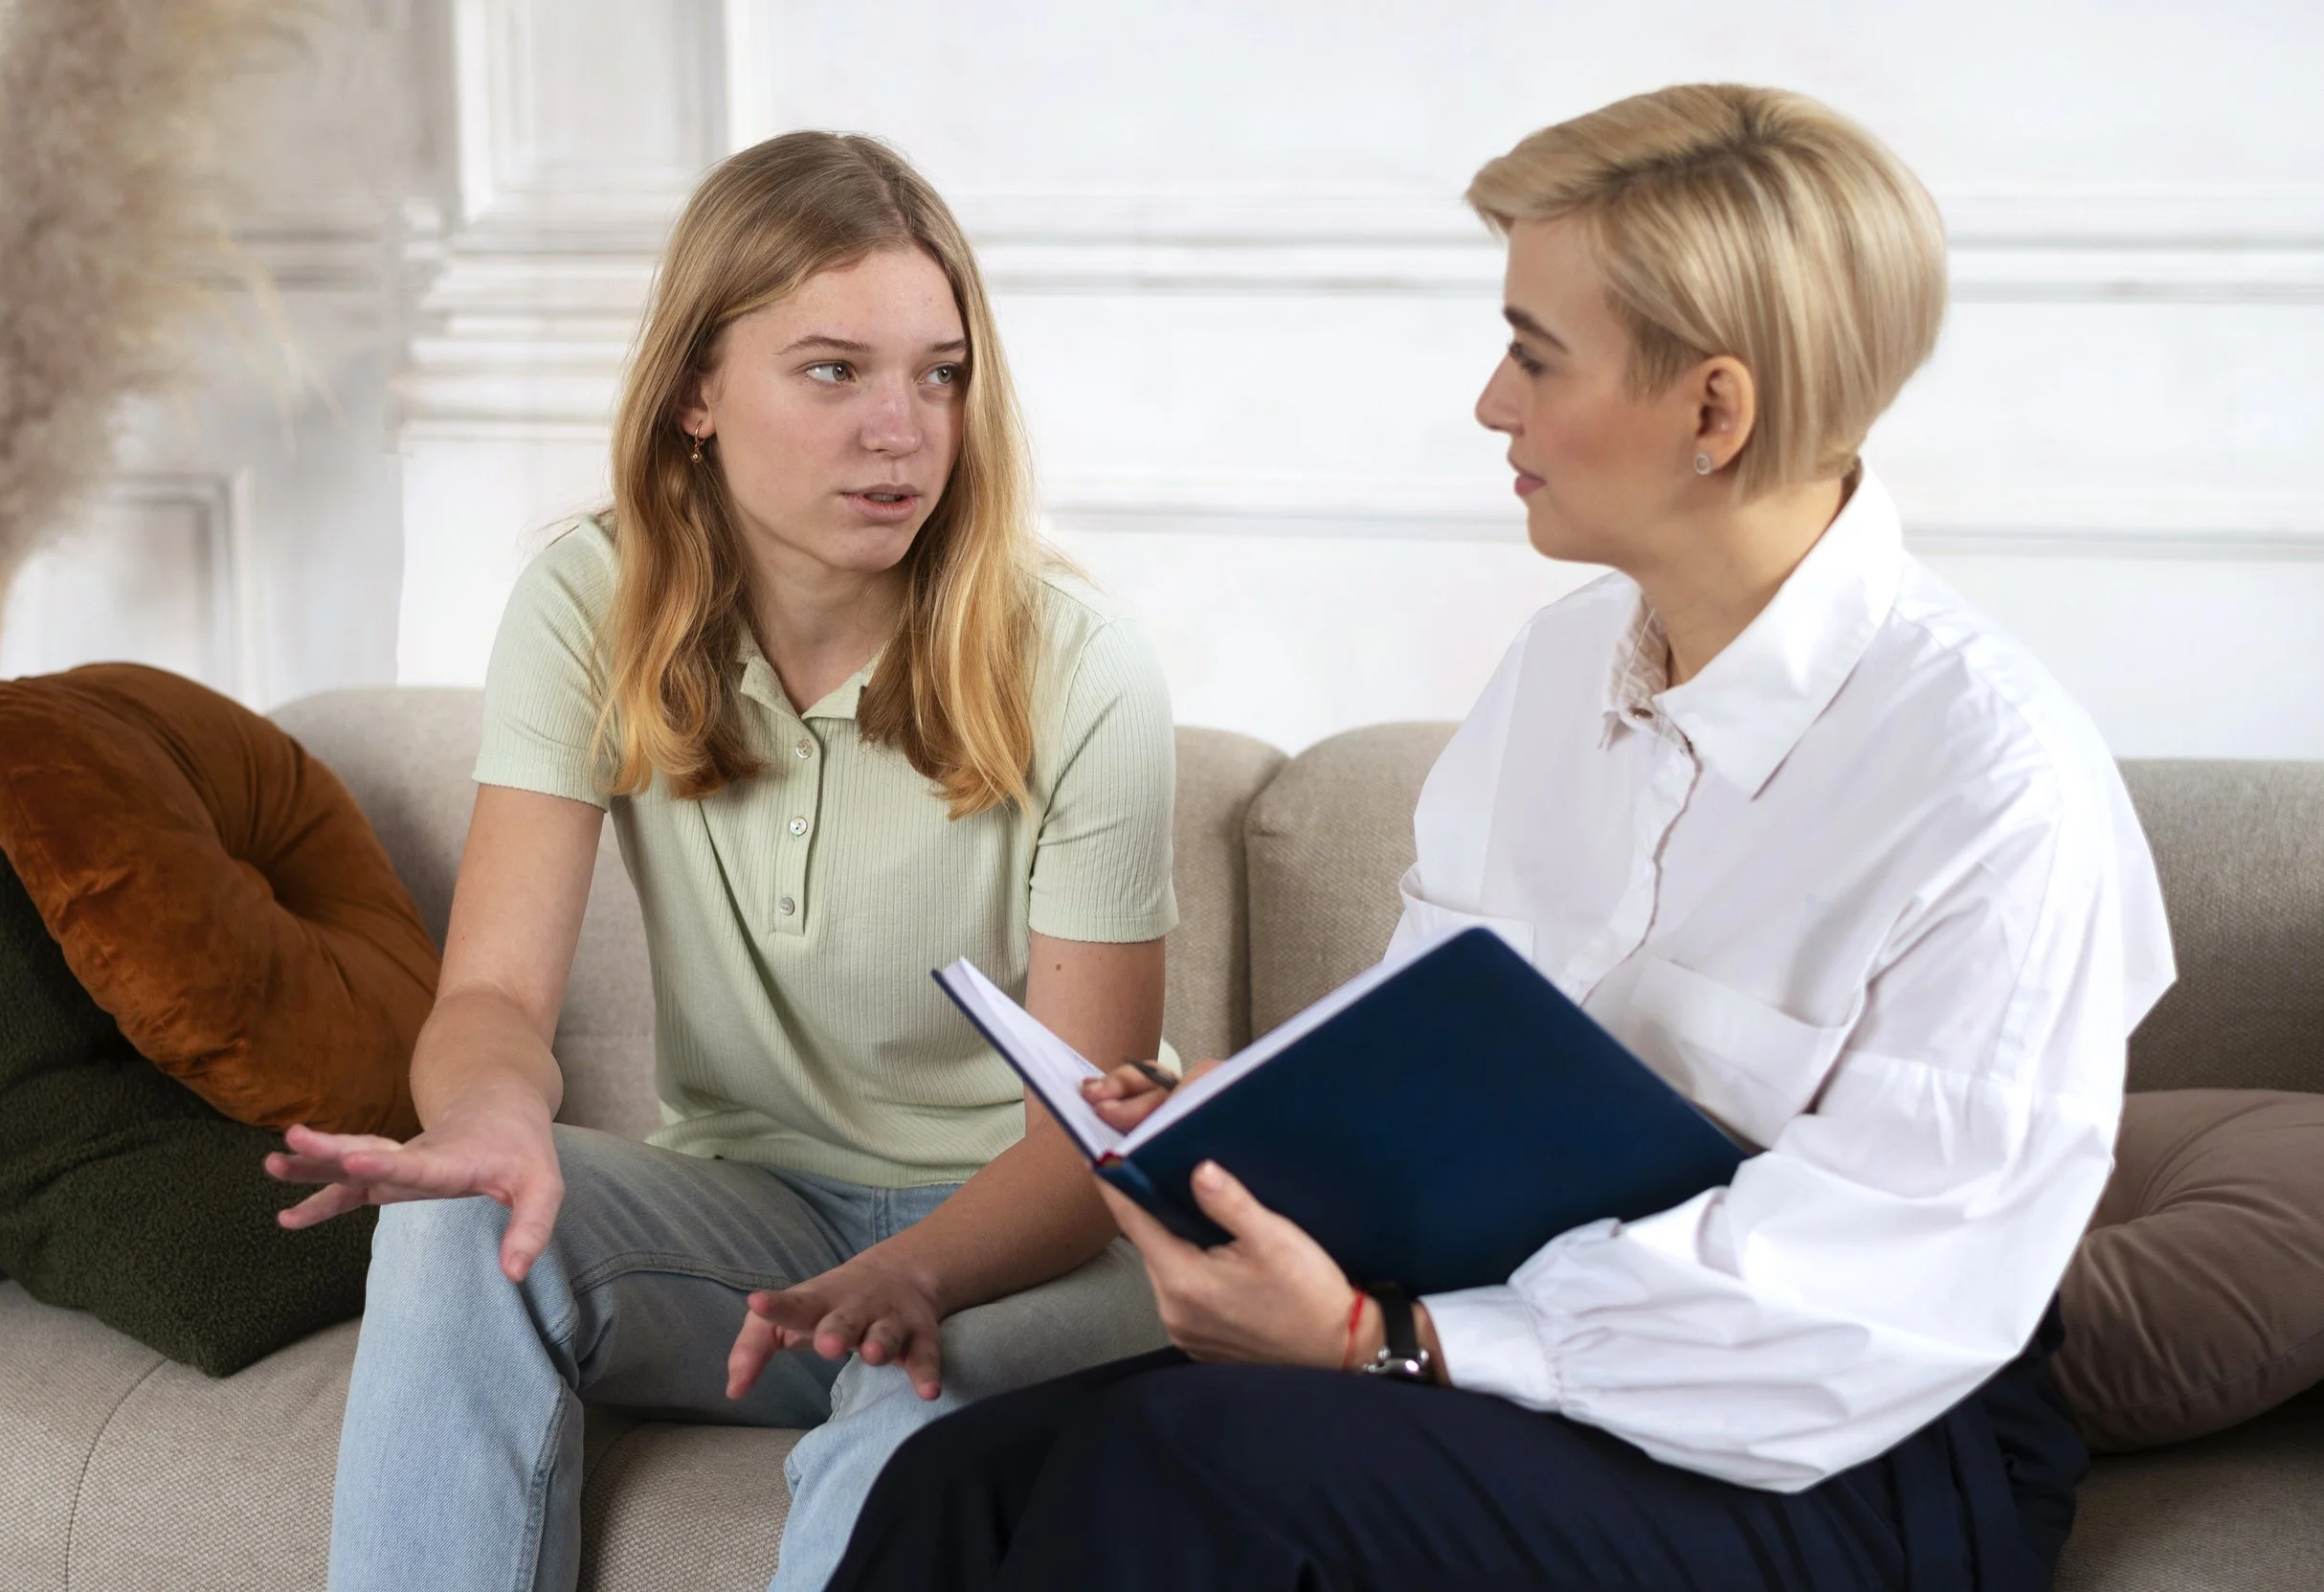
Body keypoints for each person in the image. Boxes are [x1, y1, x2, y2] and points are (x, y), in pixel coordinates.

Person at [825, 84, 2175, 1592]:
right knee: (962, 1480)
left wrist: (1376, 1339)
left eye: (1535, 354)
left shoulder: (1993, 786)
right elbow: (1419, 1063)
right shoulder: (1558, 676)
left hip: (1850, 1451)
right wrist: (1237, 1138)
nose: (1491, 402)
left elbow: (1867, 1312)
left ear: (1712, 411)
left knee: (1193, 1467)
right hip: (1518, 1370)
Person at [265, 131, 1179, 1592]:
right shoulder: (591, 600)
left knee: (905, 1385)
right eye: (834, 370)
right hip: (749, 1211)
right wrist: (490, 1120)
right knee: (456, 1224)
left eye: (939, 372)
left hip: (1043, 1240)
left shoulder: (1078, 660)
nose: (904, 429)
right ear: (696, 389)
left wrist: (910, 1275)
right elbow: (494, 992)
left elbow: (1086, 1136)